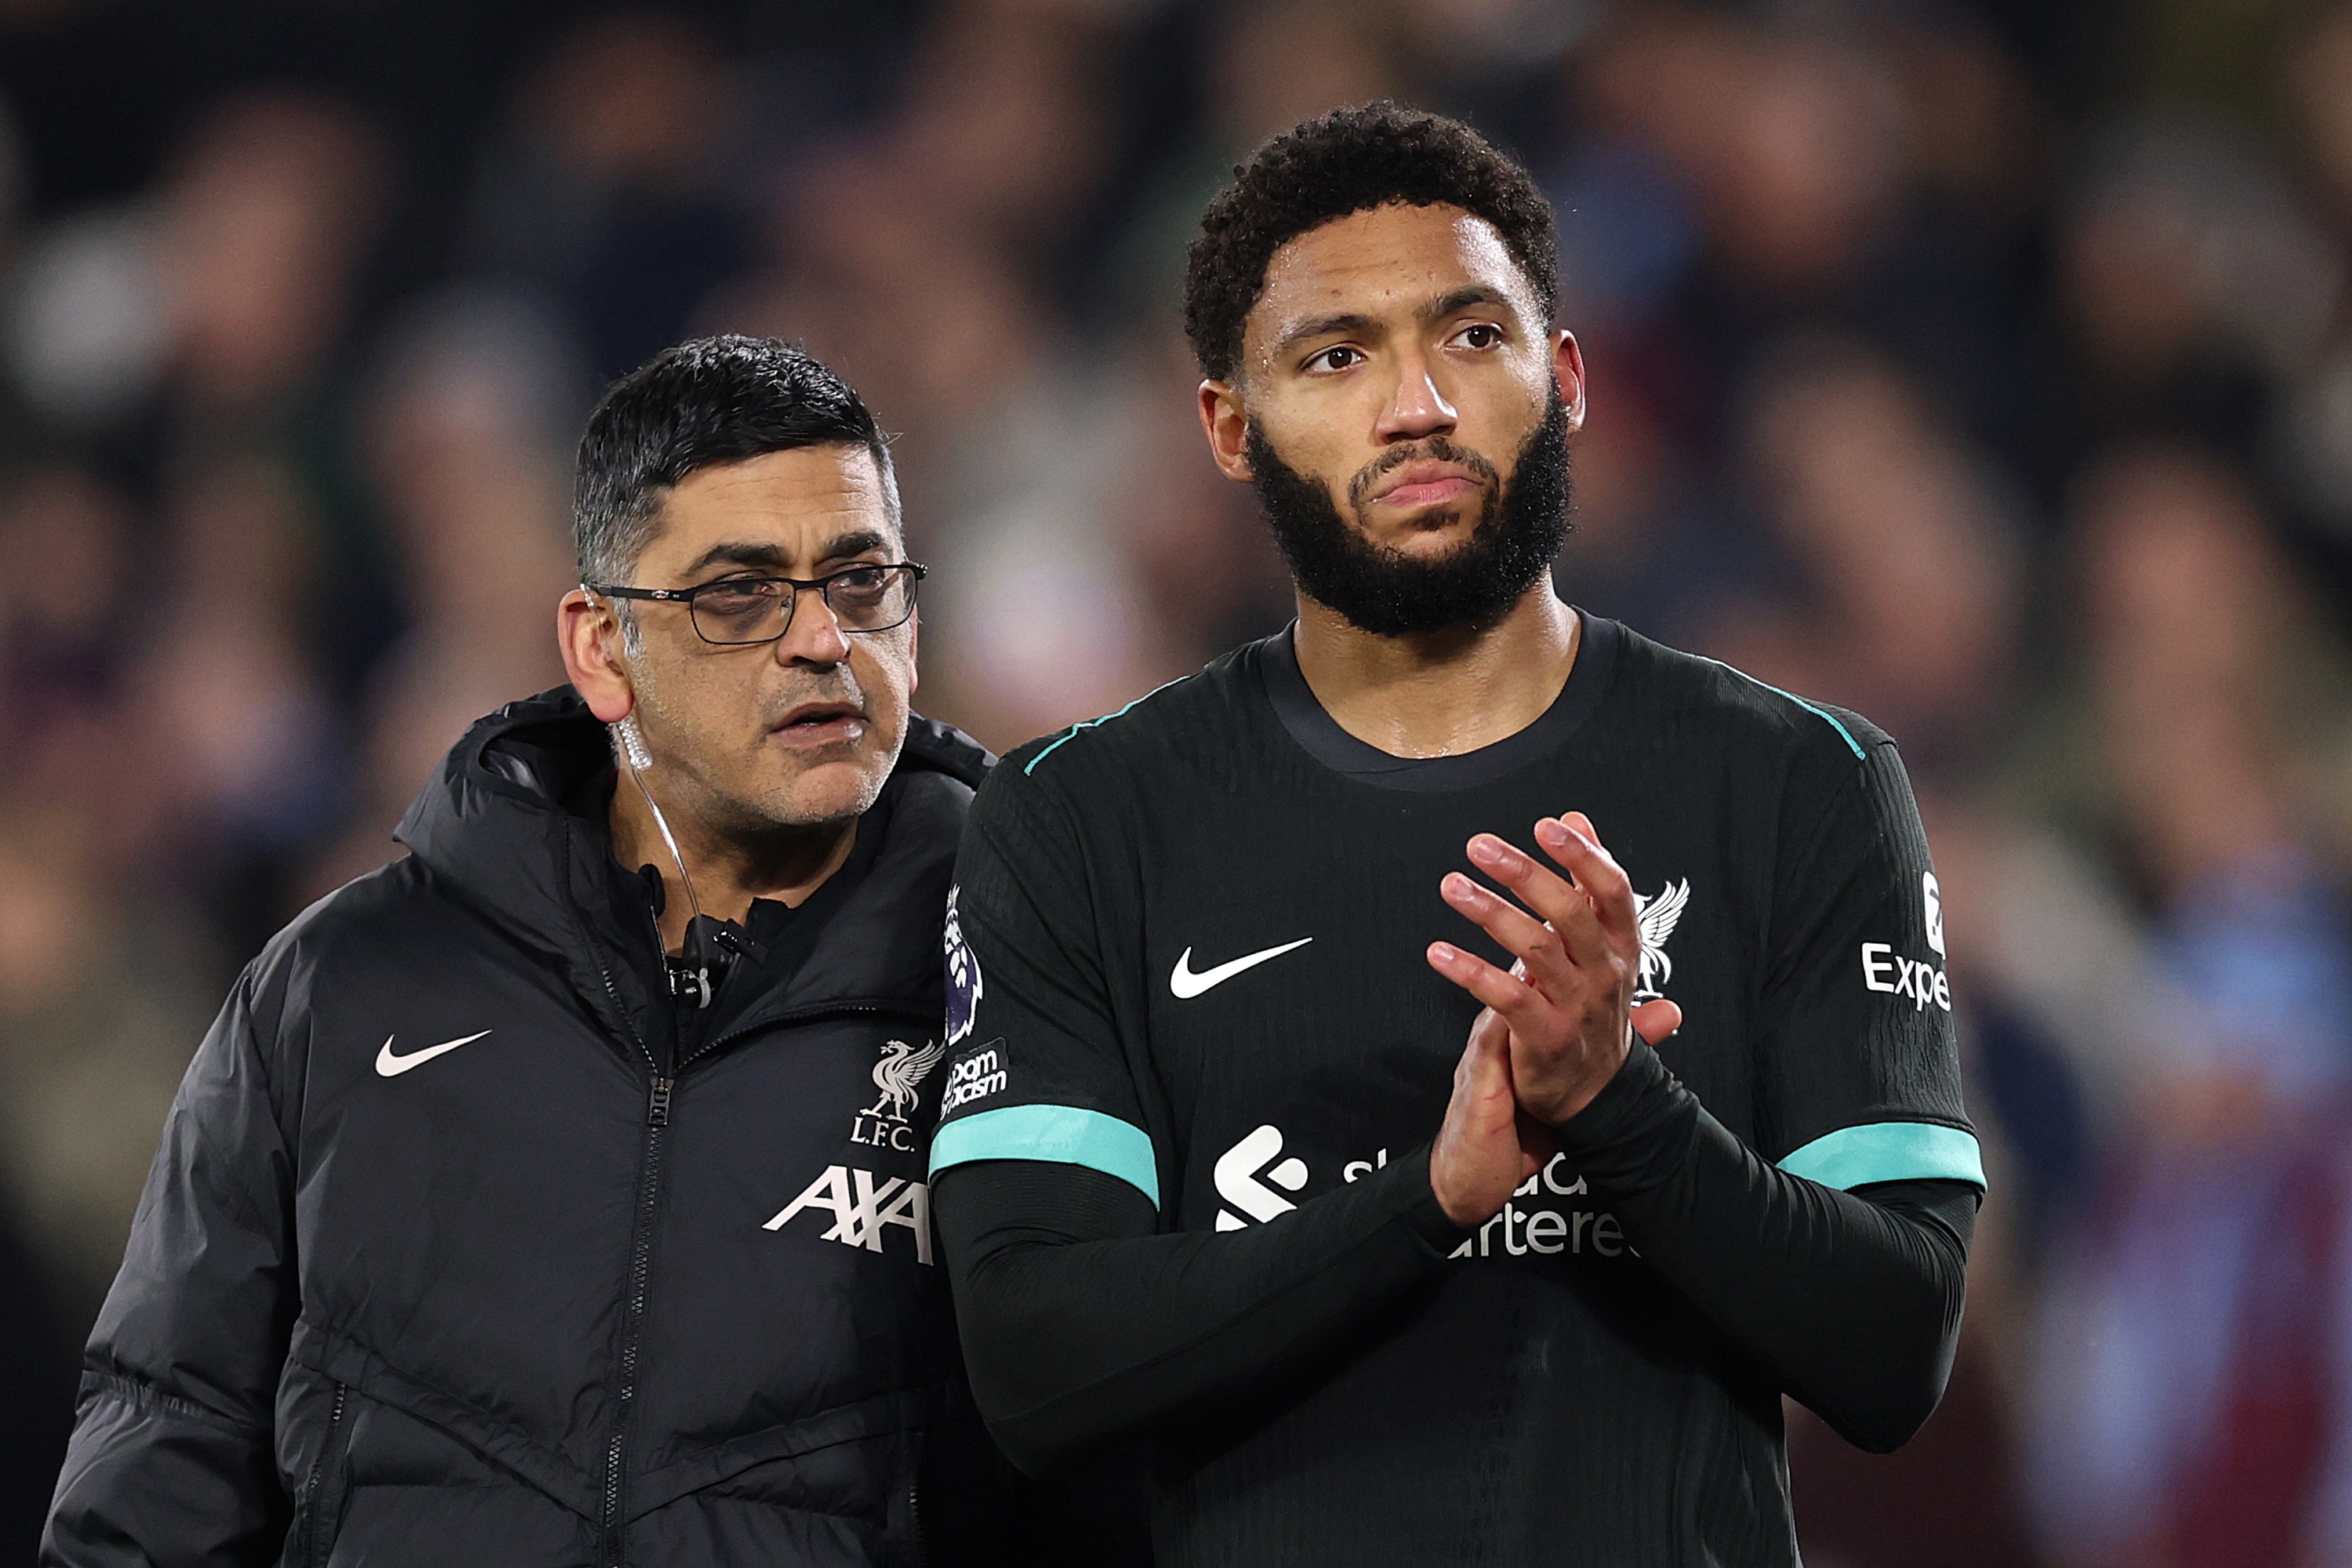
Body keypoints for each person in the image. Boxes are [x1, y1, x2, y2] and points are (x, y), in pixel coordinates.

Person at [930, 104, 1983, 1566]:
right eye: (1336, 355)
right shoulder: (1078, 818)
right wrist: (1428, 1197)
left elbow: (1895, 1351)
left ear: (1564, 378)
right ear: (1230, 428)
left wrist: (1618, 1103)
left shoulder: (1801, 781)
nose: (1415, 403)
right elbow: (1038, 1367)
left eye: (1471, 336)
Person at [44, 336, 1019, 1566]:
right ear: (600, 649)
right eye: (738, 593)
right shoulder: (339, 990)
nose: (824, 639)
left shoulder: (1026, 985)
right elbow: (165, 1452)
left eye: (864, 581)